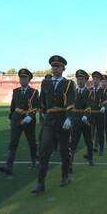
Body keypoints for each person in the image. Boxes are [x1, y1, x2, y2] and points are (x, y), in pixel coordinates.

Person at [31, 55, 76, 194]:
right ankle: (40, 183)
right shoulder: (45, 83)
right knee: (44, 151)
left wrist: (69, 118)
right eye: (53, 66)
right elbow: (41, 102)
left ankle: (64, 175)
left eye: (58, 66)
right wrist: (42, 115)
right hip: (49, 120)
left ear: (63, 68)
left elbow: (70, 101)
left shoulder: (68, 83)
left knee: (64, 150)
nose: (55, 69)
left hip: (63, 119)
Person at [0, 68, 39, 175]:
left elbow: (36, 106)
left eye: (24, 78)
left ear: (29, 79)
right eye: (21, 78)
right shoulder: (15, 91)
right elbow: (13, 106)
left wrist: (30, 116)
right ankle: (9, 166)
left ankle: (34, 160)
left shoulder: (34, 92)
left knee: (31, 141)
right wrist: (10, 117)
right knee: (13, 142)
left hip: (28, 119)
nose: (22, 80)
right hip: (16, 119)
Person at [70, 69, 94, 170]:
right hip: (75, 120)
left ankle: (90, 158)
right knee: (73, 143)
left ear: (85, 81)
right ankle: (69, 164)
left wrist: (86, 115)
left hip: (86, 120)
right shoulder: (72, 92)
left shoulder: (89, 92)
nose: (80, 81)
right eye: (78, 79)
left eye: (82, 79)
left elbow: (90, 105)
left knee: (88, 141)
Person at [90, 71, 107, 156]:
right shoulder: (89, 90)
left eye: (97, 79)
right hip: (91, 114)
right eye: (94, 78)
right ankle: (91, 148)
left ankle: (101, 148)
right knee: (90, 133)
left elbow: (106, 101)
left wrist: (104, 106)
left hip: (100, 114)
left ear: (100, 81)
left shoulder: (102, 91)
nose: (95, 80)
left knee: (100, 133)